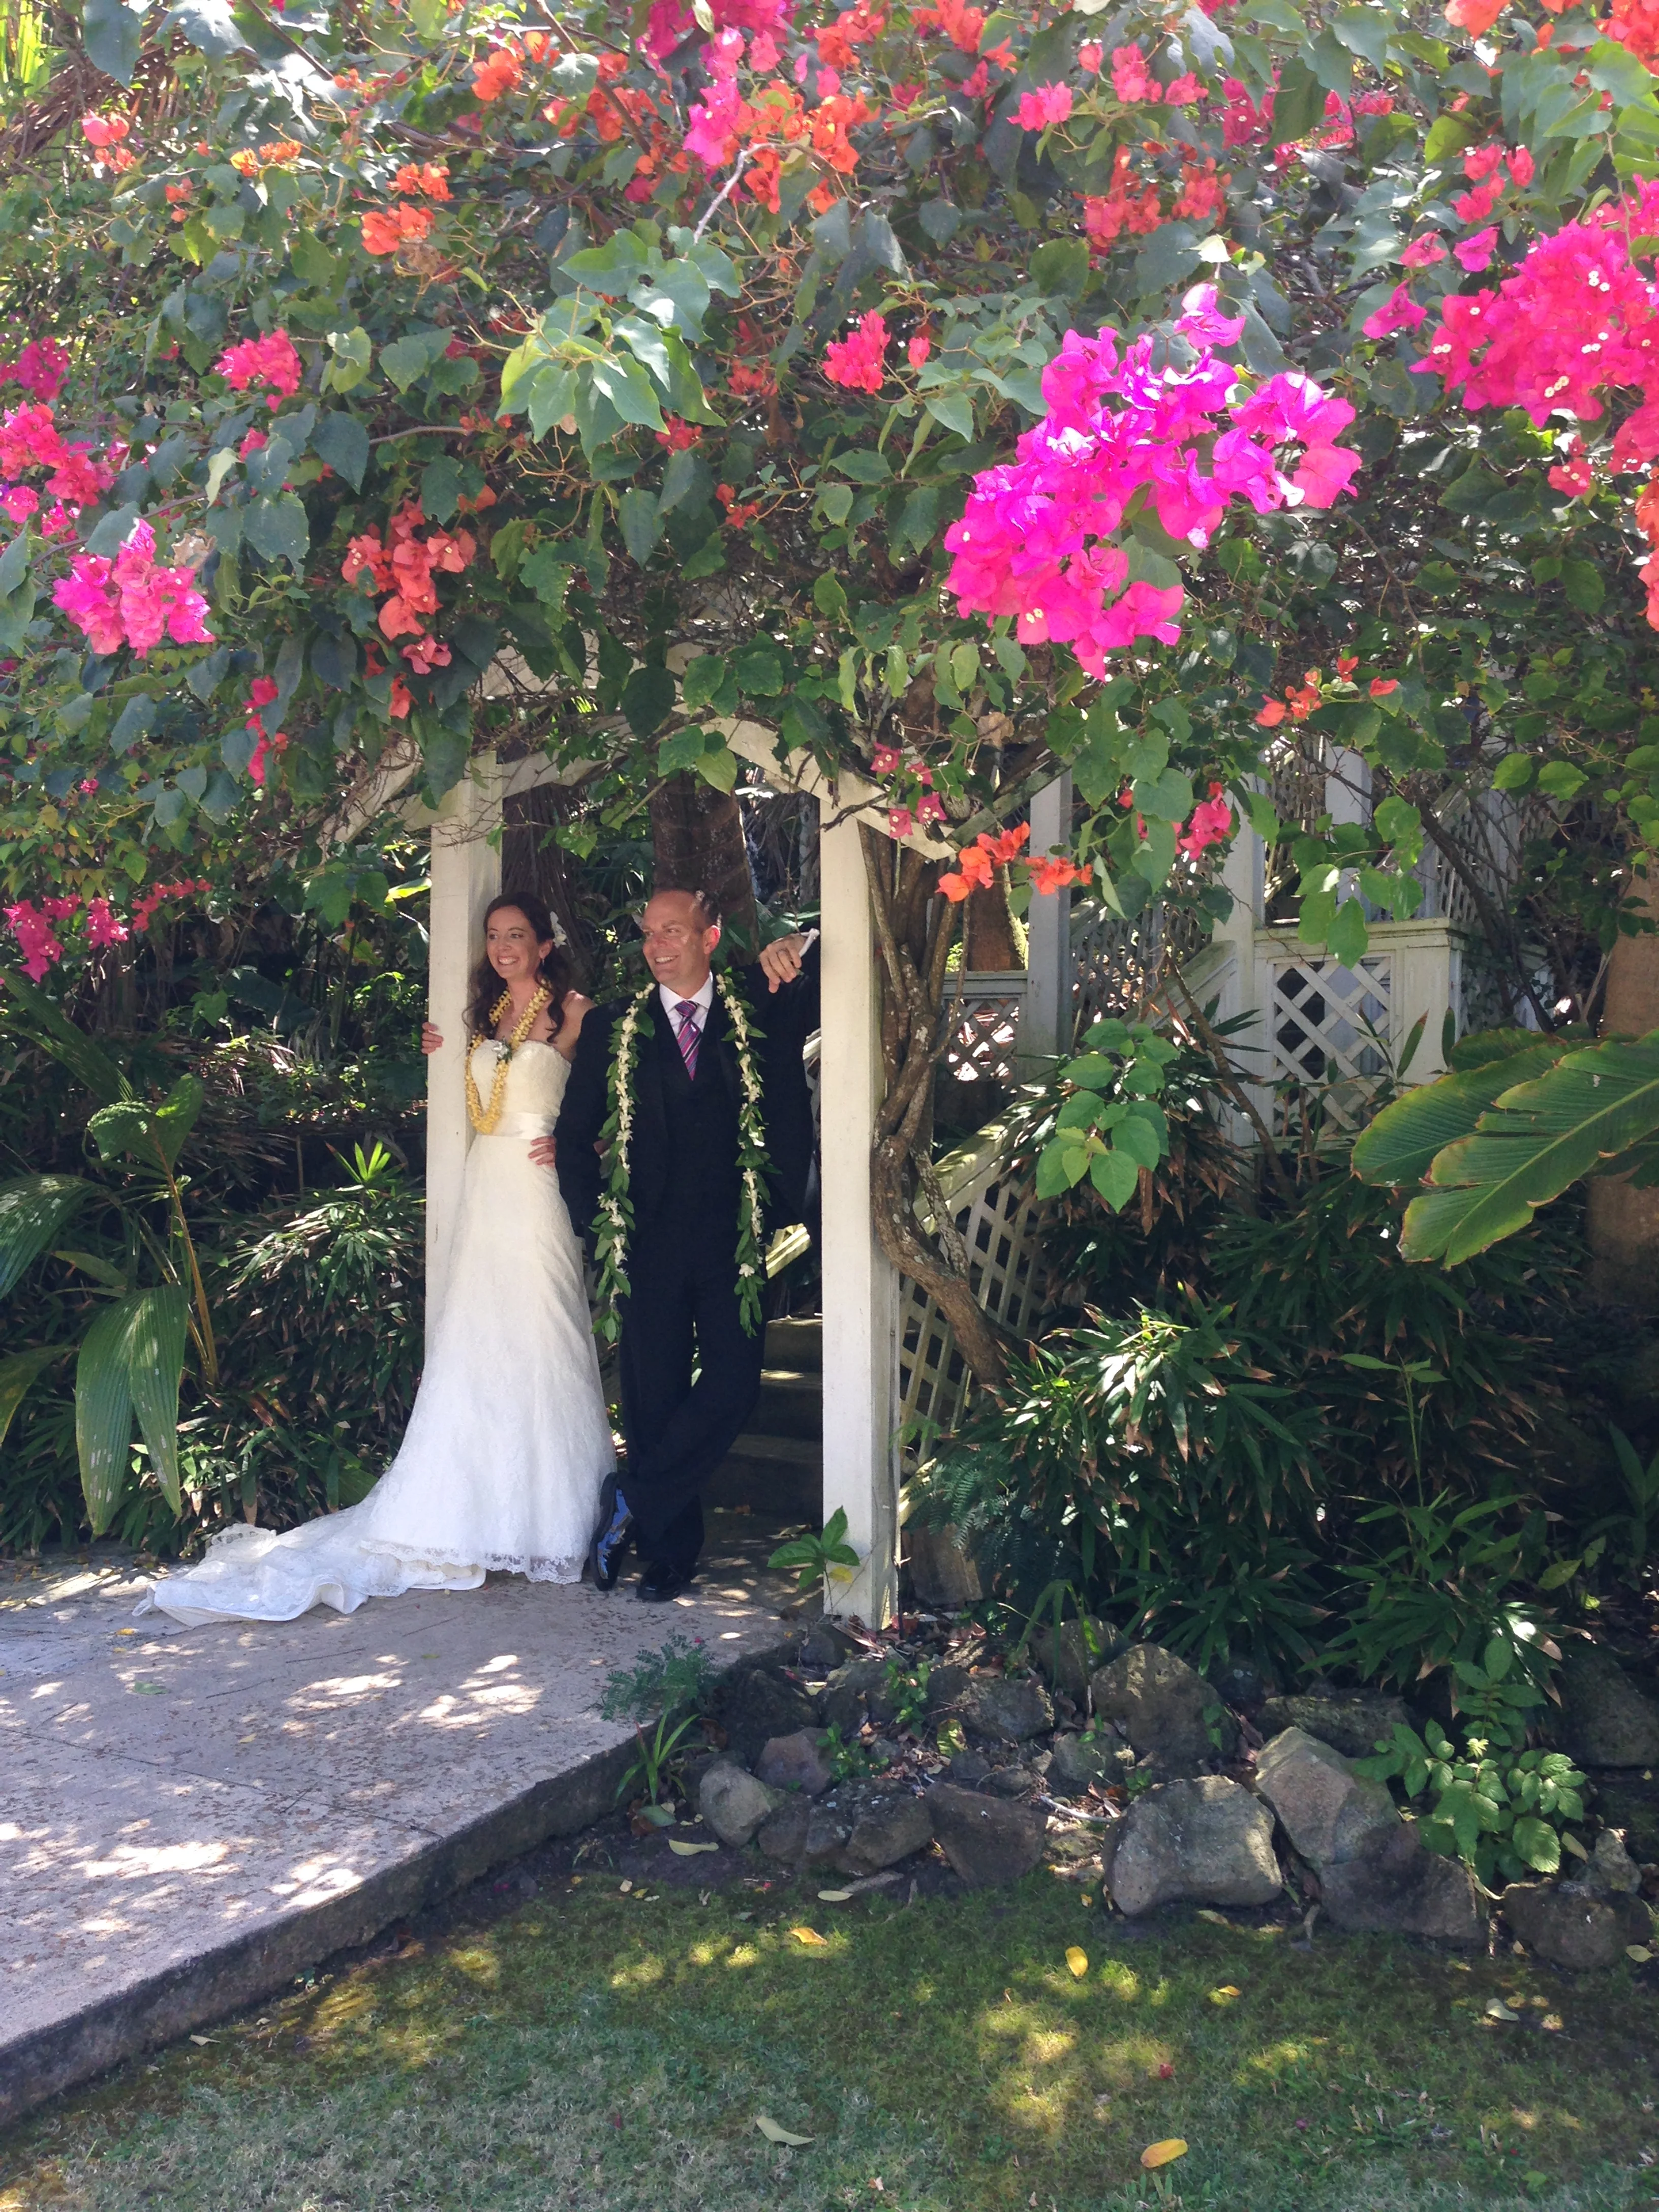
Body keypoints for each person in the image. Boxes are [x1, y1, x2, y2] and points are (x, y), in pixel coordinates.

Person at [137, 894, 615, 1626]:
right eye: (493, 936)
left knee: (545, 1335)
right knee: (480, 1342)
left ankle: (551, 1524)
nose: (503, 947)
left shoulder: (574, 1011)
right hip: (487, 1186)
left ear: (545, 945)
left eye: (517, 936)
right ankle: (473, 1517)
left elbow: (610, 1104)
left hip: (537, 1183)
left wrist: (585, 1151)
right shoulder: (479, 1016)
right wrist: (438, 1048)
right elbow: (470, 1093)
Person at [557, 888, 818, 1603]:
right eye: (648, 932)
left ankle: (632, 1499)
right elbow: (574, 1138)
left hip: (734, 1240)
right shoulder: (614, 1025)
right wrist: (597, 1223)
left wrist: (801, 941)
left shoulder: (758, 1009)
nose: (658, 944)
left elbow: (826, 976)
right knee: (653, 1399)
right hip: (646, 1244)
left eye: (673, 930)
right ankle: (667, 1560)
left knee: (734, 1386)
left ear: (711, 934)